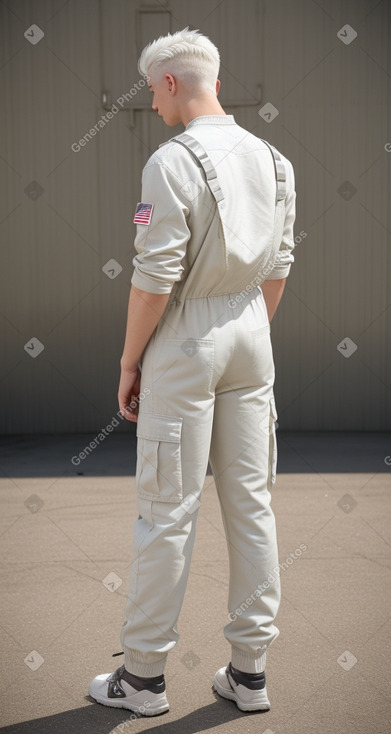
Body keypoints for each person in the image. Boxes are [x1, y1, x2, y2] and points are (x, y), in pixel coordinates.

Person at [89, 27, 296, 716]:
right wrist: (244, 337)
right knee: (252, 505)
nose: (151, 101)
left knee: (166, 511)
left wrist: (130, 361)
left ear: (172, 81)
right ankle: (250, 673)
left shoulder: (169, 162)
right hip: (249, 335)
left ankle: (143, 678)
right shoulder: (274, 160)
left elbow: (153, 279)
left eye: (152, 89)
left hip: (184, 340)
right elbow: (278, 267)